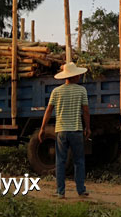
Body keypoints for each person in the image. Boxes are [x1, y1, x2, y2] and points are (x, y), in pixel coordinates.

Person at [38, 62, 91, 199]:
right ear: (74, 76)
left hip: (61, 131)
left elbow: (48, 111)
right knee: (79, 161)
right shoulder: (81, 91)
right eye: (78, 74)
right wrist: (88, 128)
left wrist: (43, 128)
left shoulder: (56, 91)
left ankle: (60, 191)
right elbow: (85, 111)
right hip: (76, 130)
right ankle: (81, 190)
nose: (79, 76)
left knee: (60, 161)